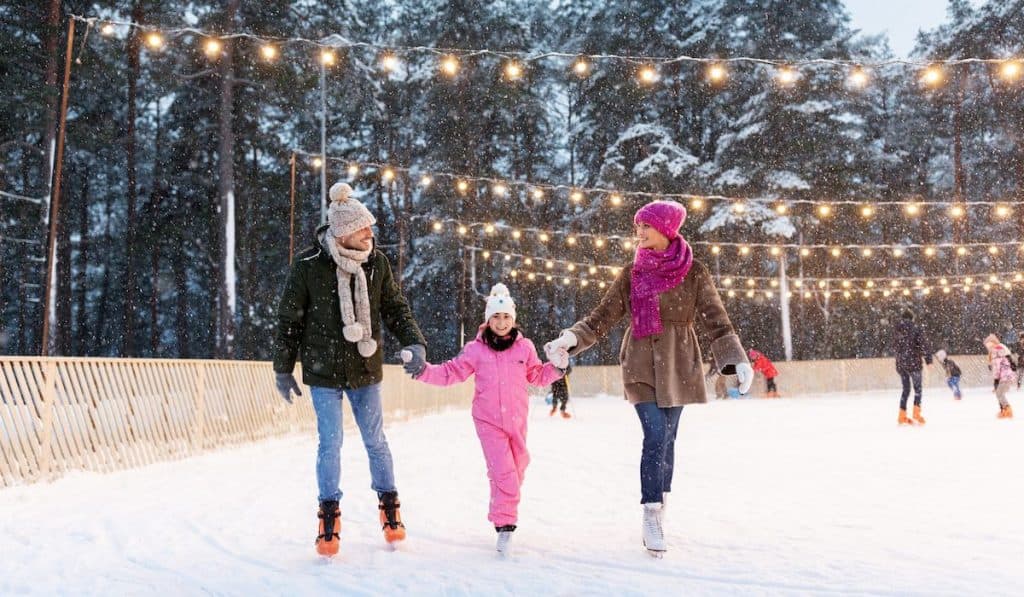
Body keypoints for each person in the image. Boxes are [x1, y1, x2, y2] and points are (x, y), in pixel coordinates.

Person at [543, 199, 753, 557]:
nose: (639, 233)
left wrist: (737, 361)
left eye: (646, 226)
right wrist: (572, 338)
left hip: (681, 363)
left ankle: (661, 496)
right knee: (654, 434)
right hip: (640, 362)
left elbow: (716, 320)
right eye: (637, 227)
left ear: (666, 230)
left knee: (668, 439)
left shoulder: (694, 271)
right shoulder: (632, 273)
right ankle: (651, 512)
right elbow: (601, 317)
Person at [272, 182, 427, 557]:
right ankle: (329, 514)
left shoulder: (377, 263)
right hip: (323, 373)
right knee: (331, 443)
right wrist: (283, 367)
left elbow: (395, 307)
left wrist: (415, 341)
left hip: (364, 369)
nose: (371, 234)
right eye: (363, 228)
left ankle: (389, 507)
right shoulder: (309, 266)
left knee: (375, 441)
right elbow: (289, 319)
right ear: (343, 232)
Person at [402, 283, 564, 554]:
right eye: (496, 317)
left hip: (517, 420)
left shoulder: (524, 348)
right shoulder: (475, 350)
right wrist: (423, 371)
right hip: (488, 421)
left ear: (513, 319)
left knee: (517, 467)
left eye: (506, 317)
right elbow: (450, 373)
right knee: (505, 473)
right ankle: (505, 526)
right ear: (488, 319)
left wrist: (557, 367)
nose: (501, 323)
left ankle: (503, 506)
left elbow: (537, 375)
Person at [892, 310, 931, 425]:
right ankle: (916, 413)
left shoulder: (896, 330)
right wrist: (928, 359)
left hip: (901, 364)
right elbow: (923, 344)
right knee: (918, 389)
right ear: (912, 318)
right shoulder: (916, 329)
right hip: (914, 363)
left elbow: (894, 347)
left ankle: (902, 415)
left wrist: (901, 357)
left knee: (906, 390)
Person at [983, 334, 1016, 419]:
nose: (988, 347)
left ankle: (1007, 409)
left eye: (989, 345)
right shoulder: (1000, 351)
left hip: (1004, 377)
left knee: (999, 393)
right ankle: (1004, 410)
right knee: (999, 393)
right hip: (1007, 376)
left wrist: (996, 378)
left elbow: (997, 367)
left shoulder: (995, 352)